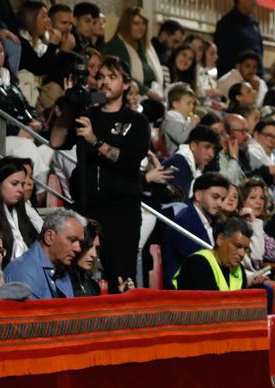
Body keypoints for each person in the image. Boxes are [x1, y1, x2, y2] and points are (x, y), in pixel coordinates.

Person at [51, 56, 151, 293]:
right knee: (76, 273)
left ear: (125, 84)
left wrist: (95, 141)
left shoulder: (136, 121)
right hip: (86, 206)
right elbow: (56, 141)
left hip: (121, 211)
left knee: (121, 277)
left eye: (112, 77)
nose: (105, 82)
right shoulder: (88, 115)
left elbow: (129, 161)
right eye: (101, 77)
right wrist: (69, 105)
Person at [0, 34, 50, 179]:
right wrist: (16, 130)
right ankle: (42, 192)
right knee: (24, 146)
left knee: (49, 151)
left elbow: (27, 108)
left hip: (11, 135)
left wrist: (35, 121)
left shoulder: (9, 82)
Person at [162, 172, 231, 285]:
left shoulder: (215, 223)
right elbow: (200, 262)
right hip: (185, 288)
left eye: (222, 199)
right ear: (198, 195)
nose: (220, 204)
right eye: (215, 197)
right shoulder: (183, 222)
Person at [4, 208, 84, 299]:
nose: (78, 249)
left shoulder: (62, 269)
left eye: (80, 243)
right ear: (49, 237)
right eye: (72, 240)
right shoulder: (23, 271)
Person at [174, 216, 263, 291]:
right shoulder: (197, 263)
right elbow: (208, 303)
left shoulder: (239, 270)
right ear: (220, 240)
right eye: (237, 246)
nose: (242, 253)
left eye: (245, 249)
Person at [103, 7, 163, 103]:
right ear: (126, 25)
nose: (141, 27)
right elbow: (122, 73)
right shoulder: (116, 45)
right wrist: (146, 91)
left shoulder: (146, 47)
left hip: (153, 94)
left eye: (144, 23)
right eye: (136, 23)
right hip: (130, 97)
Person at [162, 125, 221, 198]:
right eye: (207, 147)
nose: (211, 154)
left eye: (214, 149)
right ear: (193, 146)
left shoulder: (197, 167)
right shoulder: (178, 163)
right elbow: (179, 200)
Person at [214, 0, 264, 79]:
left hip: (255, 78)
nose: (255, 2)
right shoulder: (226, 24)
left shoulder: (254, 24)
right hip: (233, 80)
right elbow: (223, 59)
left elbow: (259, 52)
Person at [69, 218, 103, 296]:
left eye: (96, 248)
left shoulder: (94, 287)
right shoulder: (62, 284)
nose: (94, 254)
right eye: (88, 247)